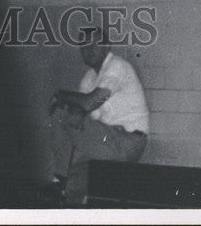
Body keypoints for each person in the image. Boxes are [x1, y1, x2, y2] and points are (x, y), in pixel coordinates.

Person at [44, 33, 149, 206]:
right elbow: (83, 109)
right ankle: (68, 192)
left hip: (128, 141)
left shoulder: (117, 66)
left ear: (106, 46)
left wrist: (60, 95)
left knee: (60, 114)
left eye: (93, 45)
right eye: (83, 46)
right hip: (105, 140)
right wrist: (77, 110)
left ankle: (59, 179)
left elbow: (91, 101)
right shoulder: (89, 78)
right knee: (72, 195)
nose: (88, 50)